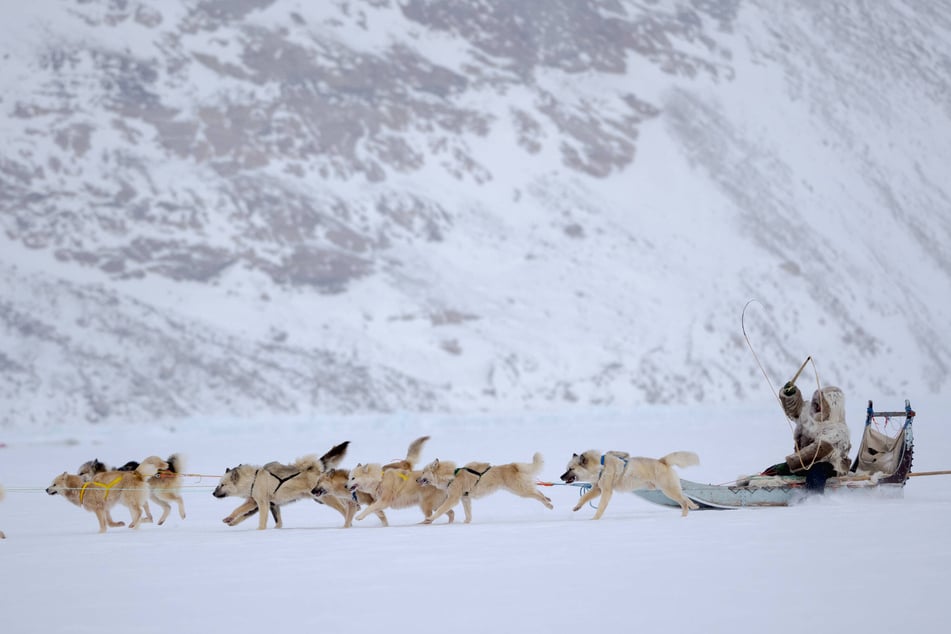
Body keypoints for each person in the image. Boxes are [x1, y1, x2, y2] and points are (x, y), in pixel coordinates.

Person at [762, 382, 851, 492]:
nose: (817, 406)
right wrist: (790, 395)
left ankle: (813, 500)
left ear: (832, 406)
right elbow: (796, 410)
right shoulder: (811, 416)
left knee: (817, 470)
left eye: (821, 404)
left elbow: (817, 451)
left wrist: (789, 464)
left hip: (832, 466)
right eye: (816, 403)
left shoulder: (838, 430)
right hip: (804, 464)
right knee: (773, 471)